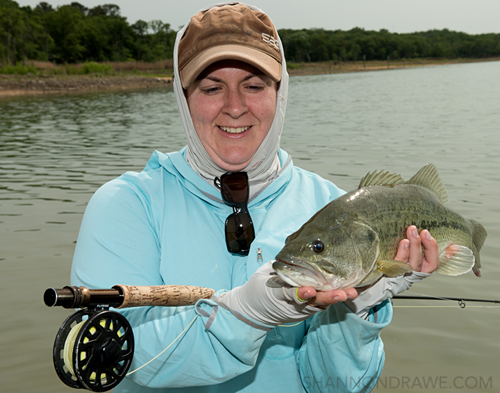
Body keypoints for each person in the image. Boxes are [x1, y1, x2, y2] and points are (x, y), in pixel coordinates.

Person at [70, 2, 439, 392]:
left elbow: (334, 386)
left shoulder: (332, 205)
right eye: (212, 87)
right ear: (184, 97)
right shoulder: (126, 205)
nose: (234, 107)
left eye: (254, 85)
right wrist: (247, 314)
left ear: (280, 94)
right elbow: (120, 360)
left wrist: (356, 312)